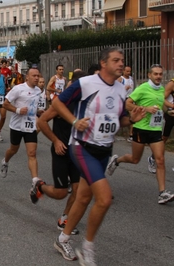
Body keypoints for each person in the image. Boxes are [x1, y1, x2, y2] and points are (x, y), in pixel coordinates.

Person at [51, 47, 145, 264]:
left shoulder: (121, 88)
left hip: (105, 149)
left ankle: (62, 238)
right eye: (116, 60)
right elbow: (57, 103)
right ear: (104, 63)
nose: (121, 64)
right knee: (103, 199)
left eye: (122, 60)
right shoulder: (86, 83)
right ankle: (88, 247)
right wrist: (75, 121)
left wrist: (132, 119)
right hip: (82, 147)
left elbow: (119, 119)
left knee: (84, 197)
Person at [106, 64, 174, 204]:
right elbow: (127, 104)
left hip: (155, 130)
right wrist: (145, 108)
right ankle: (116, 160)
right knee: (135, 159)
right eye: (155, 74)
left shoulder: (161, 89)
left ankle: (162, 193)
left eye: (160, 74)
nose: (158, 76)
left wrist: (168, 112)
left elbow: (160, 108)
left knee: (160, 160)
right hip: (140, 128)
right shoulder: (143, 88)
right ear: (149, 75)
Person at [36, 70, 87, 236]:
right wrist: (56, 141)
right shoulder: (61, 103)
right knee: (61, 192)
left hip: (77, 152)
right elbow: (42, 122)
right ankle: (40, 187)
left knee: (78, 190)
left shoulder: (87, 104)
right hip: (61, 151)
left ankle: (64, 219)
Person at [0, 68, 43, 204]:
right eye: (34, 76)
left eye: (38, 76)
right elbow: (5, 104)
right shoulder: (18, 89)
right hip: (17, 126)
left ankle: (35, 180)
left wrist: (40, 111)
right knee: (13, 150)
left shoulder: (39, 91)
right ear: (27, 78)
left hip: (30, 126)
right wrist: (17, 110)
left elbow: (34, 107)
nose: (36, 78)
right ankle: (5, 162)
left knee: (32, 153)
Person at [117, 66, 135, 142]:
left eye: (129, 71)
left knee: (132, 116)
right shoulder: (120, 79)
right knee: (119, 116)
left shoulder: (131, 79)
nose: (128, 73)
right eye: (127, 71)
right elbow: (116, 89)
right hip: (122, 99)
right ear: (123, 71)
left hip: (130, 99)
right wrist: (124, 89)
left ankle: (131, 135)